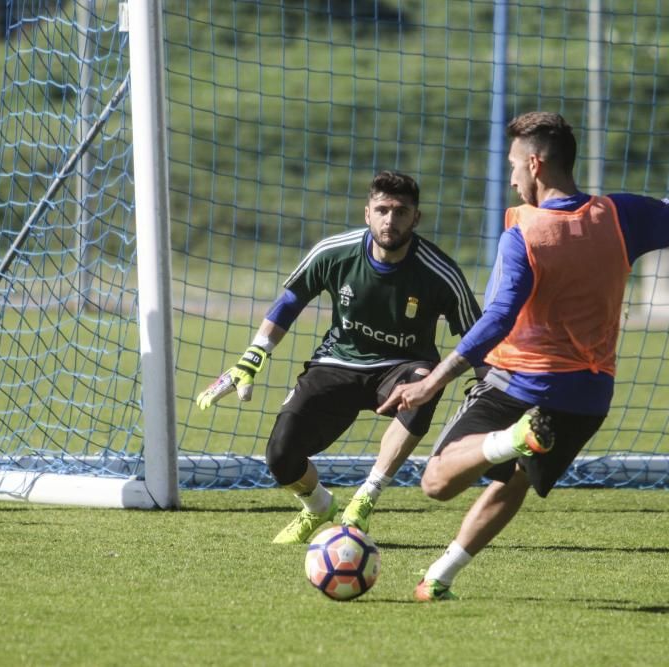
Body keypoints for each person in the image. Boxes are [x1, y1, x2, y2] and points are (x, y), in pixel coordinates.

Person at [377, 112, 669, 600]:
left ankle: (511, 438)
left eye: (514, 164)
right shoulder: (619, 216)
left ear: (535, 164)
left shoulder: (525, 233)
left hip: (520, 382)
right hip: (587, 396)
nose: (511, 175)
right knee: (514, 480)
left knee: (436, 481)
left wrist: (434, 381)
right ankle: (440, 577)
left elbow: (497, 319)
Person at [196, 170, 483, 544]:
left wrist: (488, 388)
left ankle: (365, 499)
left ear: (416, 217)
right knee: (281, 457)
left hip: (402, 368)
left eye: (400, 211)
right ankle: (319, 508)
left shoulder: (440, 271)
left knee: (424, 384)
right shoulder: (335, 252)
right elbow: (290, 302)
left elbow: (477, 335)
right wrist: (254, 355)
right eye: (382, 209)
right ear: (367, 213)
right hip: (338, 362)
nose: (390, 219)